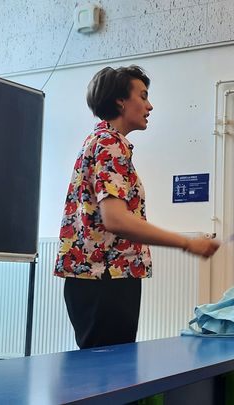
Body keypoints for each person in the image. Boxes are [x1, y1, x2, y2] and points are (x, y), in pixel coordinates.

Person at [54, 65, 220, 349]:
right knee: (108, 377)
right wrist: (186, 242)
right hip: (105, 278)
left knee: (105, 374)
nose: (149, 105)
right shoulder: (109, 144)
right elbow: (116, 219)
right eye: (142, 96)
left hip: (101, 278)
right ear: (121, 100)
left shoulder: (102, 142)